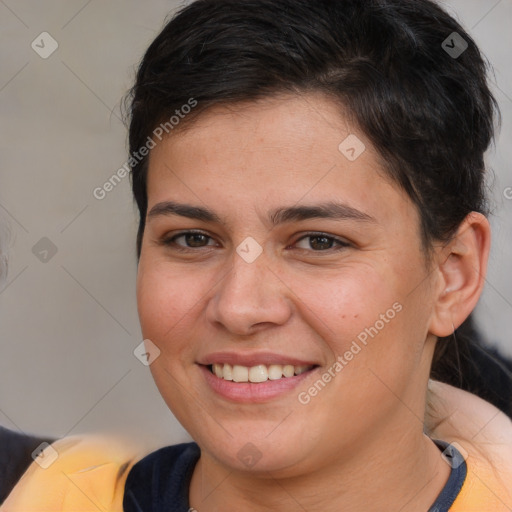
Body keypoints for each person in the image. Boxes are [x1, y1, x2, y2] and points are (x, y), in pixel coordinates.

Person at [2, 0, 511, 510]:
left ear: (453, 276)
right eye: (193, 239)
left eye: (319, 241)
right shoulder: (37, 493)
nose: (239, 308)